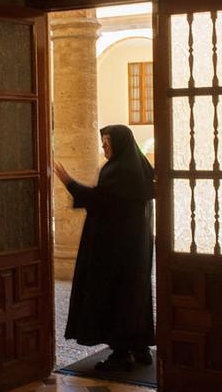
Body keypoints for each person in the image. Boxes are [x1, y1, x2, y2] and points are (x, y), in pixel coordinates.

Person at [54, 124, 155, 371]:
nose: (103, 146)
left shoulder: (119, 172)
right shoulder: (138, 169)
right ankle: (139, 346)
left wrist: (69, 183)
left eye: (107, 142)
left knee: (116, 296)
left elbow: (101, 202)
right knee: (135, 296)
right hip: (136, 250)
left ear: (120, 143)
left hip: (115, 251)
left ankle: (121, 352)